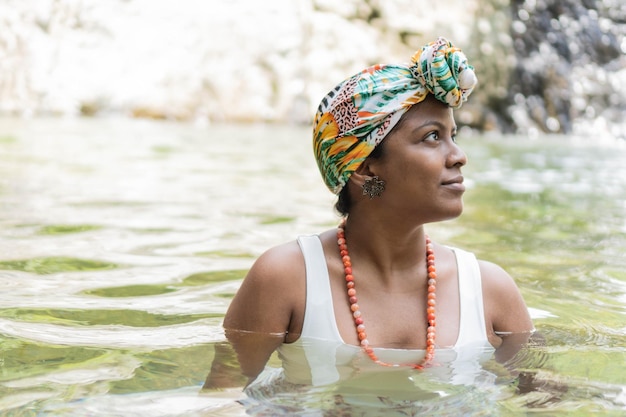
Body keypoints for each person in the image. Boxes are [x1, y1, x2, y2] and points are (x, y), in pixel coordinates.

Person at [219, 37, 534, 392]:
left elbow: (548, 404)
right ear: (366, 169)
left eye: (453, 135)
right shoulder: (286, 279)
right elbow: (220, 401)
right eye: (432, 137)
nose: (458, 155)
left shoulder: (490, 290)